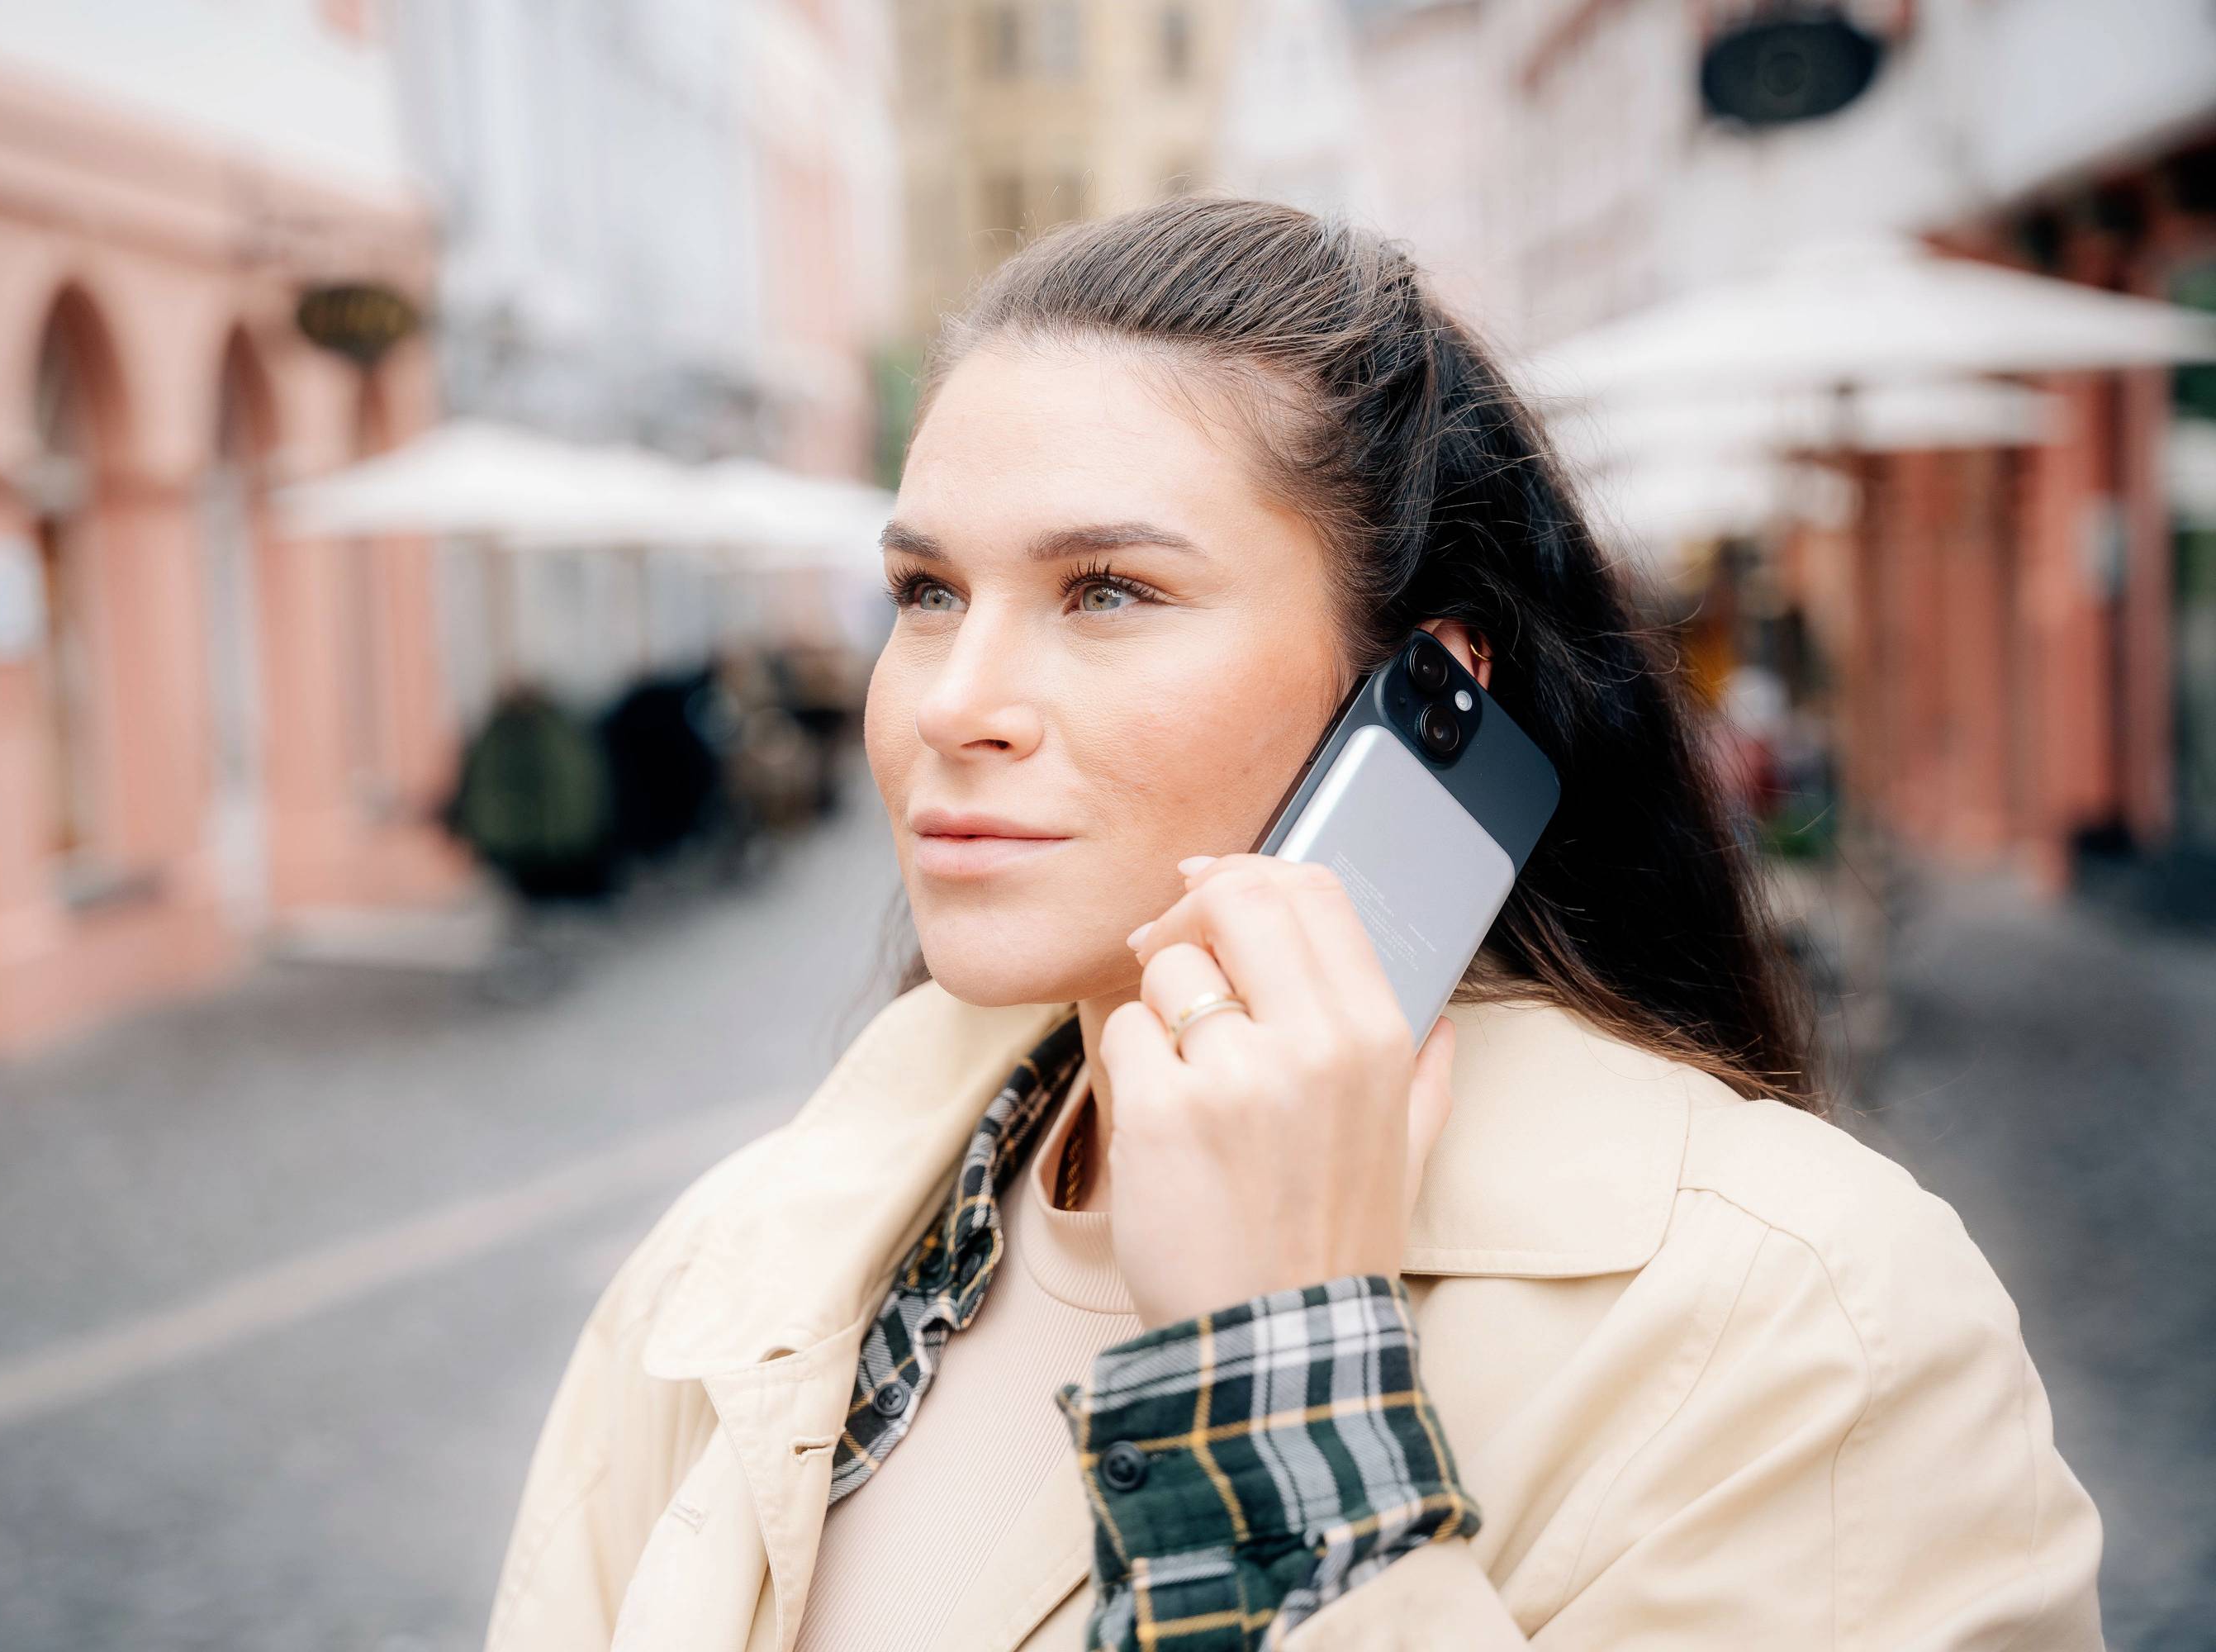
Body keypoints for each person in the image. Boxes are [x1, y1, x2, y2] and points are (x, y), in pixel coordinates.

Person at [483, 199, 2104, 1651]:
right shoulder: (745, 1258)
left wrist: (1276, 1382)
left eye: (1108, 589)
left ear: (1426, 685)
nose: (951, 704)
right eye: (927, 594)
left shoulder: (1802, 1322)